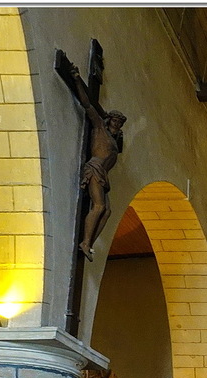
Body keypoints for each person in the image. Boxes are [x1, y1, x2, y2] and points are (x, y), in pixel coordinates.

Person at [68, 64, 126, 261]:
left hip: (103, 175)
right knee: (99, 206)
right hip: (94, 168)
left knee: (107, 211)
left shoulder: (114, 142)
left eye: (120, 122)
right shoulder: (100, 128)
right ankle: (84, 242)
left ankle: (89, 243)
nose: (116, 124)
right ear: (109, 119)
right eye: (115, 120)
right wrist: (76, 80)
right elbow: (87, 105)